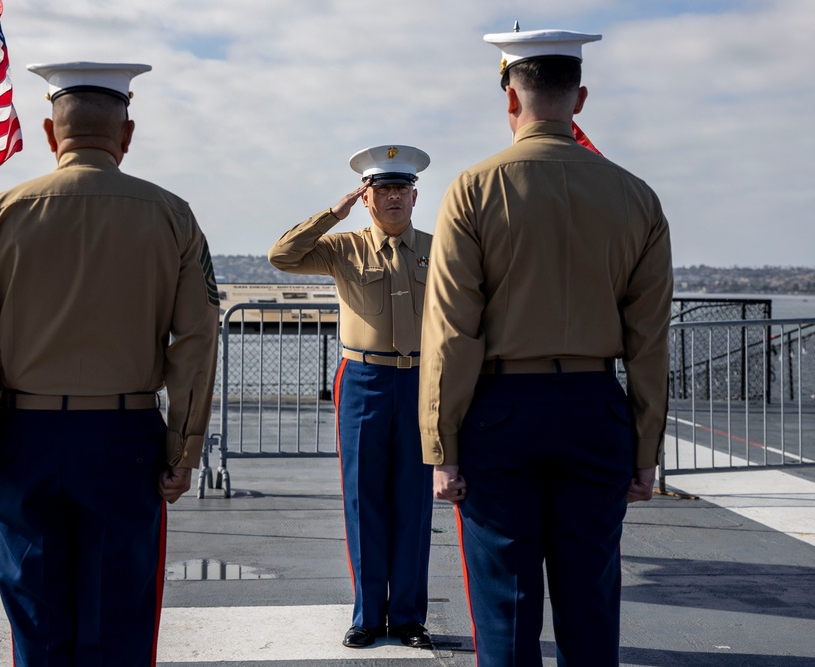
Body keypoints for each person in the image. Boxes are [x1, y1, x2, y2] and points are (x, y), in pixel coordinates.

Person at [0, 61, 219, 666]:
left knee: (37, 614)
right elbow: (195, 342)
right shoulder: (173, 216)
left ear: (51, 135)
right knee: (121, 616)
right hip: (126, 436)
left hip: (24, 436)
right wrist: (182, 449)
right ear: (126, 135)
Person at [419, 27, 673, 666]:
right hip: (596, 407)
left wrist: (441, 448)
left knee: (504, 603)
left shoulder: (472, 190)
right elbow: (648, 341)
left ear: (510, 98)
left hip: (501, 410)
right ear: (579, 98)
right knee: (591, 600)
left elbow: (453, 333)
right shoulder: (638, 197)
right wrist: (646, 451)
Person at [268, 145, 434, 649]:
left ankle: (407, 617)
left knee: (413, 501)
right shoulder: (344, 248)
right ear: (366, 198)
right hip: (364, 381)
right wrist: (331, 215)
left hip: (422, 381)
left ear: (415, 195)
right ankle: (367, 615)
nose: (393, 198)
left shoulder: (439, 246)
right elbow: (282, 255)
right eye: (381, 189)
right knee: (363, 499)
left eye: (401, 188)